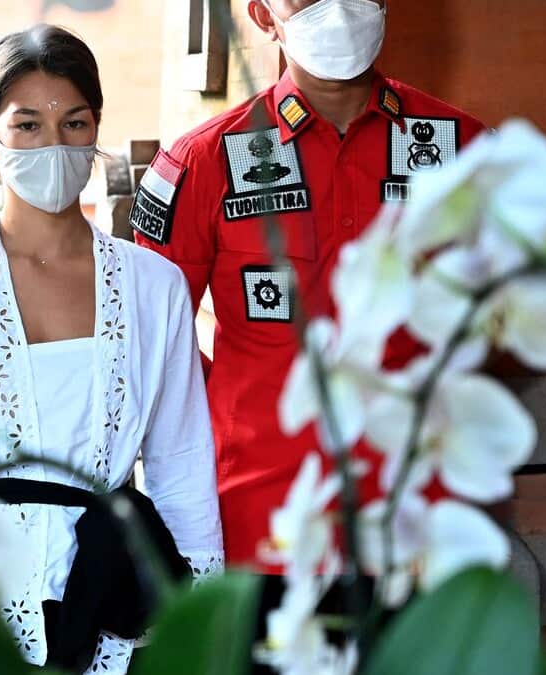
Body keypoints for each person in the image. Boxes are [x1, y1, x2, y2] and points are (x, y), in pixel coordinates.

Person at [130, 0, 487, 662]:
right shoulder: (204, 162)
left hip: (419, 525)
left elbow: (504, 306)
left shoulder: (463, 149)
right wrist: (239, 418)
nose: (338, 6)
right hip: (260, 528)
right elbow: (150, 340)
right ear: (263, 13)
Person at [0, 24, 224, 674]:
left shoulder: (153, 286)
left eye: (73, 122)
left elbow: (180, 461)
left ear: (96, 129)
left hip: (113, 600)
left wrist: (202, 619)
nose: (54, 143)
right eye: (28, 125)